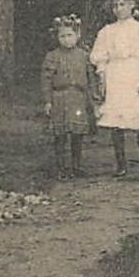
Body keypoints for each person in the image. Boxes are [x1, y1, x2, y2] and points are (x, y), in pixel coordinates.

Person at [90, 0, 139, 178]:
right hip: (116, 77)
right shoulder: (107, 31)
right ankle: (121, 165)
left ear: (132, 5)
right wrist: (102, 81)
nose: (118, 9)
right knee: (116, 122)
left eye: (122, 4)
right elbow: (101, 59)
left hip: (135, 74)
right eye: (115, 5)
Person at [41, 14, 97, 179]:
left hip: (78, 98)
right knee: (60, 134)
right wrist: (47, 101)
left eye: (70, 35)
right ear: (57, 38)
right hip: (60, 98)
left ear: (78, 36)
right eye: (62, 36)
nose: (66, 40)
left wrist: (93, 97)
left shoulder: (84, 55)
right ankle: (61, 168)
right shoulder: (52, 56)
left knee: (77, 134)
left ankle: (76, 166)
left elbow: (91, 78)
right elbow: (46, 80)